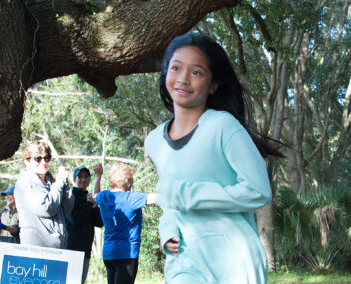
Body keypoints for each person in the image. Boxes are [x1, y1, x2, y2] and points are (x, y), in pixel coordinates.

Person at [144, 33, 283, 284]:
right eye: (176, 68)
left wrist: (190, 194)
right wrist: (167, 230)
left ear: (213, 85)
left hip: (233, 260)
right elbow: (170, 199)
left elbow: (258, 190)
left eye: (196, 72)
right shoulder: (154, 140)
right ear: (166, 73)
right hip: (184, 257)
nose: (184, 79)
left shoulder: (223, 126)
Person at [94, 163, 157, 284]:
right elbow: (156, 198)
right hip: (126, 254)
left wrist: (98, 176)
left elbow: (94, 195)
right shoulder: (131, 198)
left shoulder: (104, 196)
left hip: (109, 254)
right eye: (131, 179)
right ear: (127, 181)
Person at [14, 141, 74, 248]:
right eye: (38, 158)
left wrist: (64, 183)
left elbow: (67, 208)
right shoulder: (25, 182)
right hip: (37, 249)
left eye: (46, 158)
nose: (43, 162)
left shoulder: (51, 181)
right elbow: (46, 208)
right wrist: (59, 182)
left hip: (58, 247)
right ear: (27, 162)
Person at [66, 164, 104, 283]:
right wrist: (88, 204)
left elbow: (99, 222)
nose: (83, 179)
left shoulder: (89, 197)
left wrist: (94, 205)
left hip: (85, 250)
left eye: (86, 176)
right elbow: (75, 220)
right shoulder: (70, 196)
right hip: (72, 249)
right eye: (80, 176)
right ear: (75, 179)